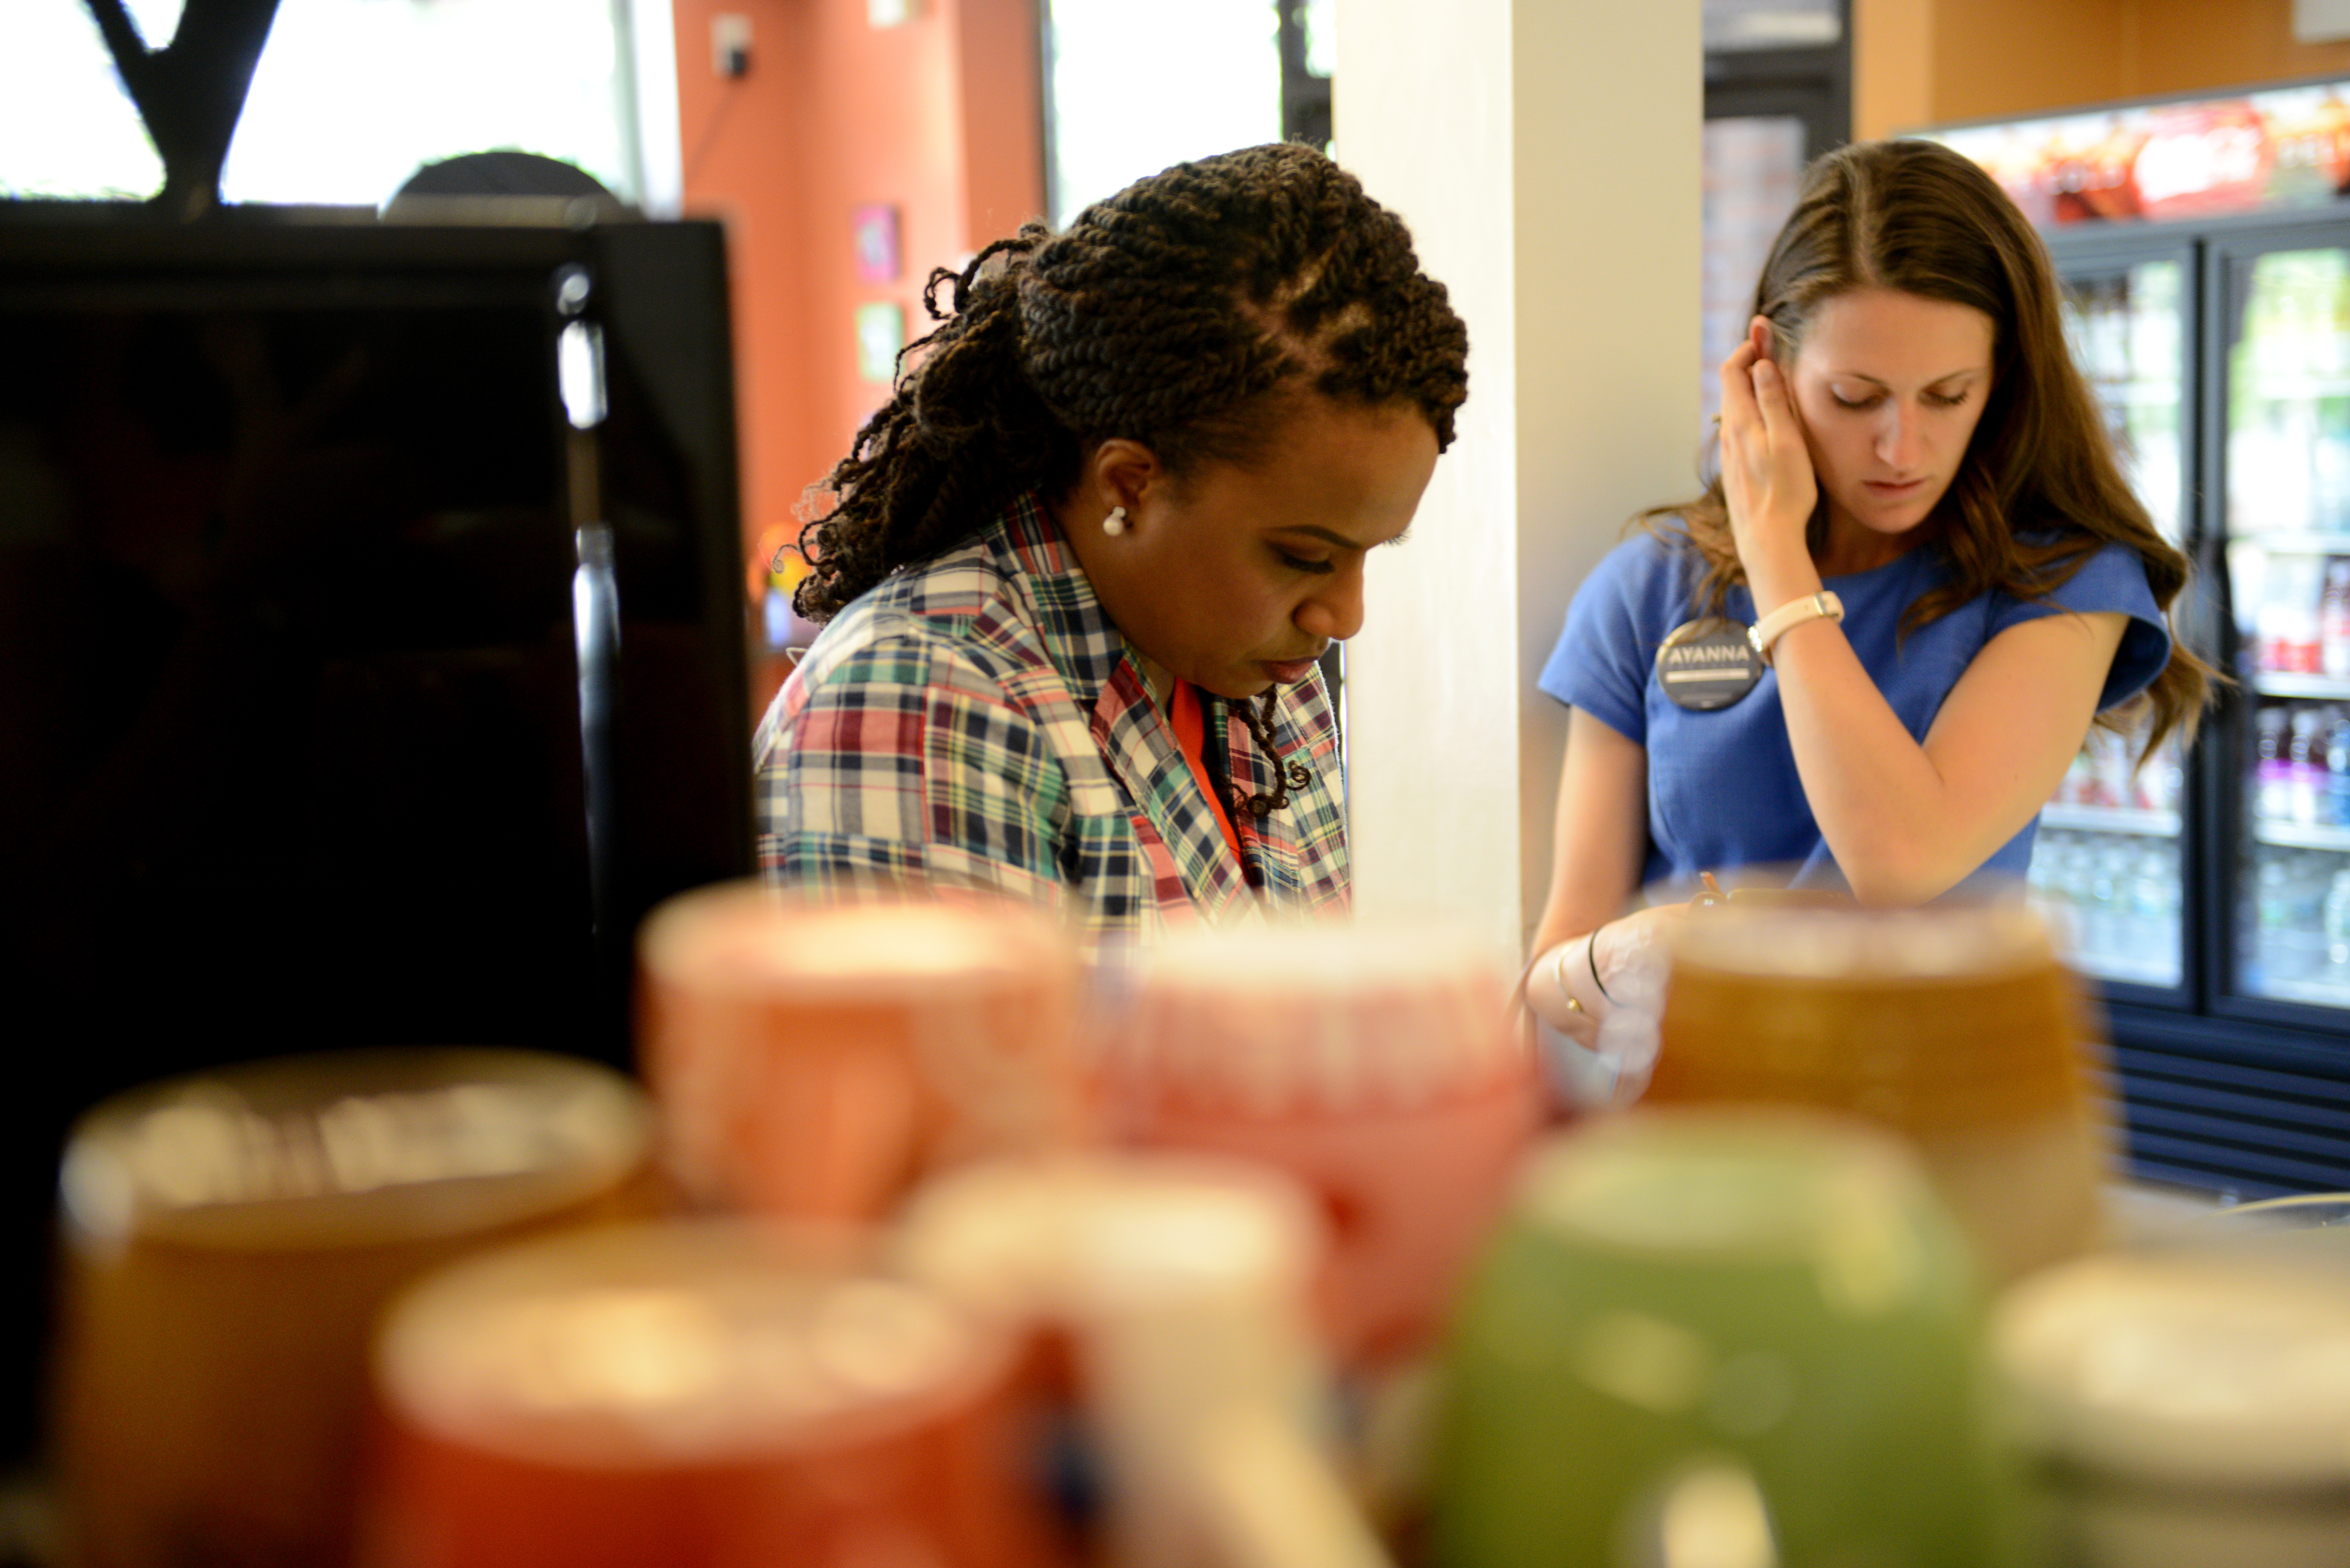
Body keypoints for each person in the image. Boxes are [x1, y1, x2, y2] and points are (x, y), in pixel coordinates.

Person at [1525, 138, 2210, 1042]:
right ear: (1766, 366)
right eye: (1856, 397)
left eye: (1948, 395)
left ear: (2002, 383)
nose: (1902, 448)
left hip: (1924, 1137)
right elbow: (1547, 984)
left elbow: (1900, 860)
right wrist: (1619, 959)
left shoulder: (2061, 586)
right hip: (1688, 1136)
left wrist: (1776, 557)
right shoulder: (1650, 585)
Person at [754, 143, 1469, 949]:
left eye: (1368, 553)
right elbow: (944, 1079)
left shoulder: (1254, 672)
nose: (1343, 614)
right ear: (1130, 483)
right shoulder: (919, 705)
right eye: (1303, 555)